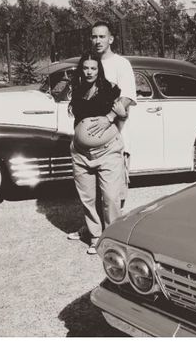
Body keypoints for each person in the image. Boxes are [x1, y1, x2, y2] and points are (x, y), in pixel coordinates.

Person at [68, 53, 127, 255]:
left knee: (110, 197)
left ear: (99, 70)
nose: (89, 72)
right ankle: (95, 236)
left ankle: (114, 238)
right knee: (88, 198)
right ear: (81, 69)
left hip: (107, 151)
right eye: (86, 68)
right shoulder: (78, 89)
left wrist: (113, 119)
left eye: (93, 68)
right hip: (81, 153)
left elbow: (122, 112)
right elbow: (78, 118)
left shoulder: (109, 89)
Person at [88, 21, 137, 206]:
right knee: (93, 189)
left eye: (102, 36)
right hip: (93, 137)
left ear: (111, 39)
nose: (98, 40)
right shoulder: (90, 64)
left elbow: (126, 97)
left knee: (114, 193)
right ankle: (92, 229)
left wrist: (108, 118)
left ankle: (112, 230)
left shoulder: (121, 64)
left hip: (116, 135)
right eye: (94, 36)